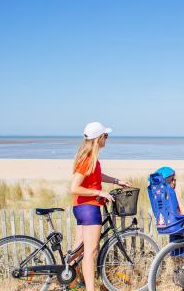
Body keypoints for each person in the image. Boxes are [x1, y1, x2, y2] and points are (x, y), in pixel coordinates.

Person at [69, 122, 132, 291]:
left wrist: (116, 181)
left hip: (81, 207)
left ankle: (70, 282)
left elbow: (96, 175)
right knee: (91, 252)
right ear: (98, 138)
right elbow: (74, 187)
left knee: (79, 250)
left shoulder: (90, 158)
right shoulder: (88, 158)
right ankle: (91, 288)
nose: (107, 139)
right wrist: (100, 193)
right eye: (106, 136)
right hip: (89, 208)